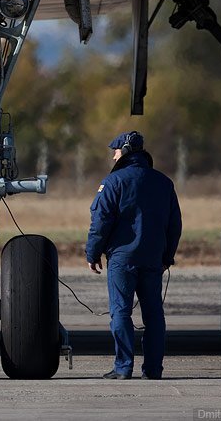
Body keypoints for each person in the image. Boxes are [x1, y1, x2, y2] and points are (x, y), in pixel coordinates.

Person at [86, 131, 182, 380]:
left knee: (120, 312)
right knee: (153, 314)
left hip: (122, 259)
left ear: (125, 152)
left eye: (115, 151)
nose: (113, 156)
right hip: (153, 259)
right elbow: (174, 225)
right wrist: (167, 257)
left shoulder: (114, 182)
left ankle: (123, 367)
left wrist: (92, 253)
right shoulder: (164, 182)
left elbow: (100, 222)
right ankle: (153, 369)